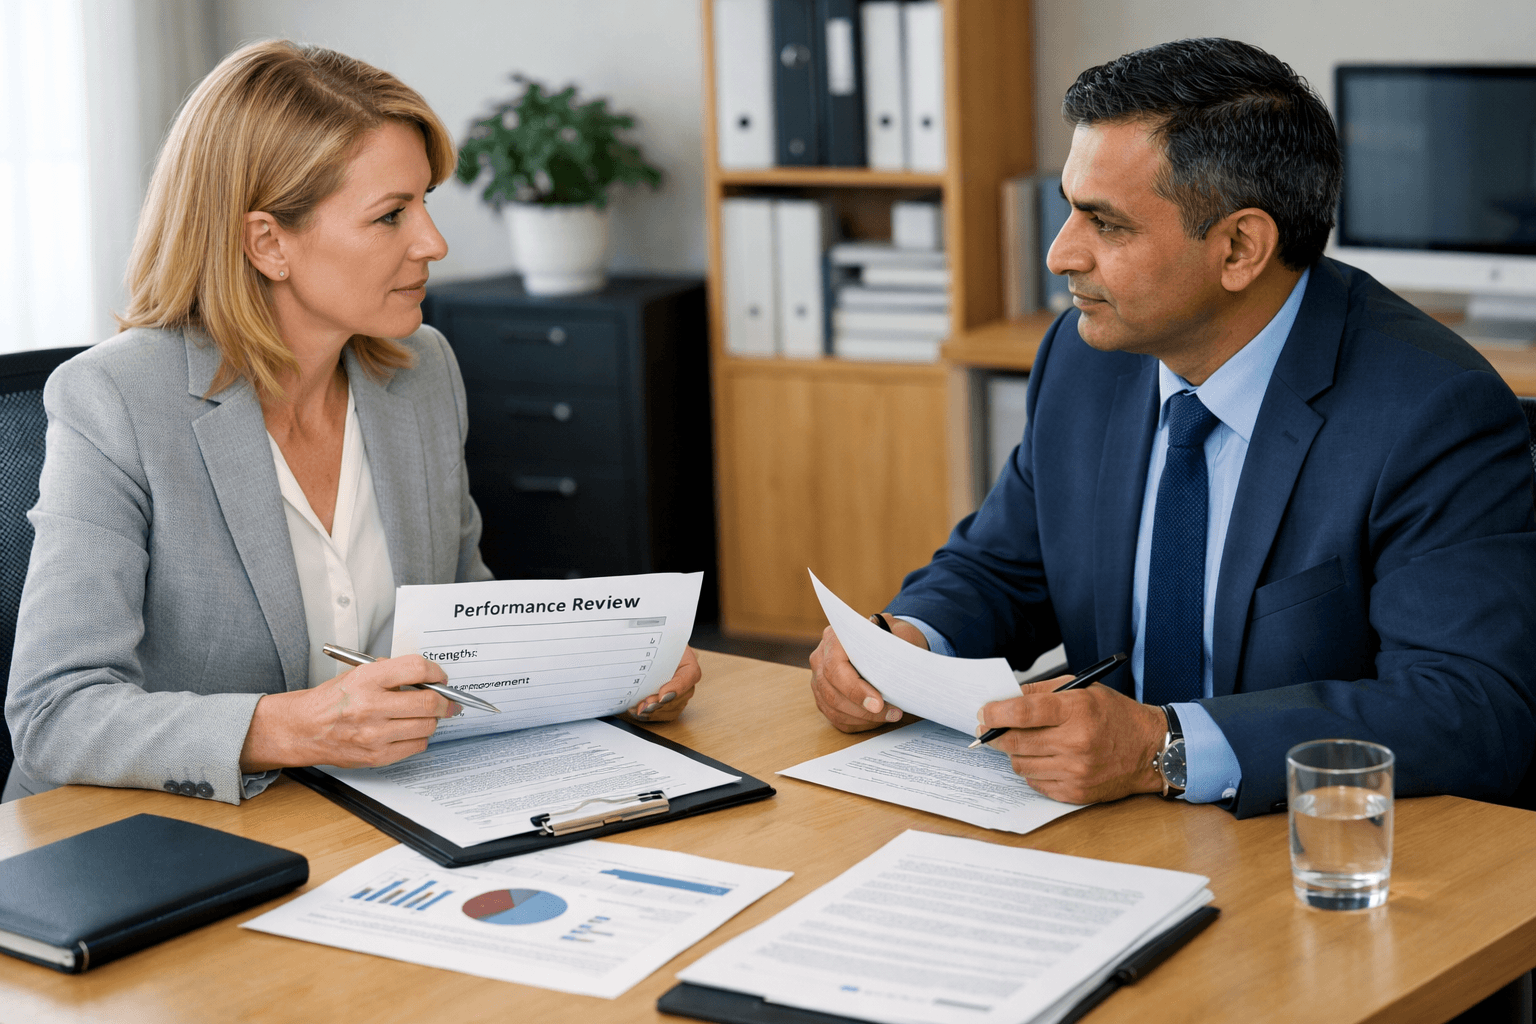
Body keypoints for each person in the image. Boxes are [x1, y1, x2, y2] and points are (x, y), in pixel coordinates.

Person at [810, 38, 1536, 818]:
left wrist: (1166, 747)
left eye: (1105, 223)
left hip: (1314, 849)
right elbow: (1005, 568)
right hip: (1107, 832)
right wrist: (908, 646)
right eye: (1068, 208)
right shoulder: (1088, 356)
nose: (1060, 254)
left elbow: (1470, 708)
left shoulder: (1432, 411)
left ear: (1239, 247)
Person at [3, 41, 700, 806]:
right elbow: (53, 712)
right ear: (268, 242)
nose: (433, 242)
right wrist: (292, 727)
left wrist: (609, 668)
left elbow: (463, 612)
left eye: (426, 202)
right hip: (173, 841)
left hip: (373, 814)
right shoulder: (114, 400)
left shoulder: (420, 369)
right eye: (391, 215)